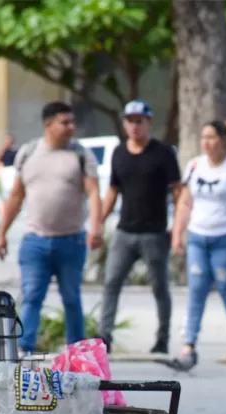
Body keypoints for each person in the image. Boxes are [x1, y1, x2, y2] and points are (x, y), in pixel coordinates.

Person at [0, 101, 103, 355]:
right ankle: (24, 349)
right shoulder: (29, 153)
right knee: (31, 296)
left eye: (72, 122)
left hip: (71, 240)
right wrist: (2, 233)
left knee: (71, 298)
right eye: (65, 122)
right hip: (35, 241)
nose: (71, 127)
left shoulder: (80, 154)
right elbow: (16, 196)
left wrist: (96, 227)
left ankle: (77, 353)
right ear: (48, 124)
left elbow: (94, 192)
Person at [169, 120, 226, 370]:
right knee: (196, 288)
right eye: (203, 138)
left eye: (211, 137)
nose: (207, 143)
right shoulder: (195, 165)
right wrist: (177, 233)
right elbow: (185, 202)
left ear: (223, 140)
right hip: (199, 235)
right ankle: (189, 344)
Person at [98, 100, 182, 354]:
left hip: (154, 232)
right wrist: (98, 223)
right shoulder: (119, 152)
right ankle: (104, 337)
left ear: (149, 123)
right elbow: (113, 190)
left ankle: (162, 338)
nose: (134, 126)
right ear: (125, 123)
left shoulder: (163, 153)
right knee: (111, 282)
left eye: (139, 121)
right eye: (130, 121)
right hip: (124, 231)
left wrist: (178, 228)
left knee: (159, 287)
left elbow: (178, 192)